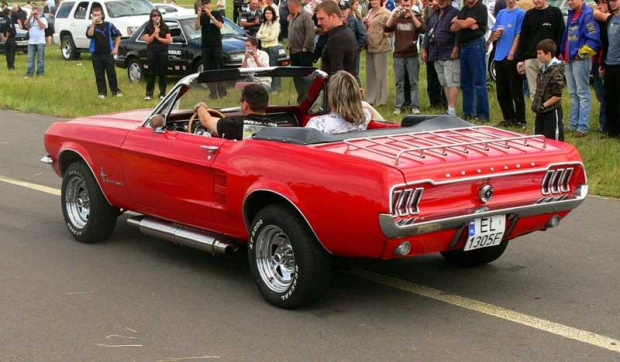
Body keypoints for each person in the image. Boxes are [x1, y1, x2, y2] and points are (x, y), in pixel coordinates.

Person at [560, 0, 600, 137]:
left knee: (582, 93)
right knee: (573, 93)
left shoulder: (588, 14)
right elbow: (566, 36)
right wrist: (562, 52)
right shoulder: (571, 14)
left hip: (579, 60)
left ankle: (582, 127)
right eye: (568, 0)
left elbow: (594, 38)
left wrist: (580, 54)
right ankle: (572, 124)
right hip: (568, 59)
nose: (570, 2)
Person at [516, 0, 564, 101]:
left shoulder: (555, 12)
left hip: (548, 59)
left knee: (548, 92)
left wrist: (555, 56)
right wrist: (520, 60)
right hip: (530, 59)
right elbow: (523, 37)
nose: (536, 1)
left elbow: (560, 35)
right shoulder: (529, 14)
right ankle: (538, 116)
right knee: (534, 93)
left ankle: (550, 116)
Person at [488, 0, 526, 127]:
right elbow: (494, 32)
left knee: (516, 90)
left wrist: (512, 53)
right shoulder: (501, 13)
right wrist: (496, 35)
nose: (509, 1)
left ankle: (521, 119)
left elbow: (519, 34)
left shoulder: (520, 13)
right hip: (499, 55)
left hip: (511, 56)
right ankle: (509, 117)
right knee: (502, 91)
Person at [450, 0, 490, 122]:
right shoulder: (465, 9)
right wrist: (461, 23)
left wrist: (458, 21)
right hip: (464, 46)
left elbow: (463, 24)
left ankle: (483, 114)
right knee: (466, 82)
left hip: (476, 45)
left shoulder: (480, 8)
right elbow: (453, 27)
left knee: (479, 81)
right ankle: (468, 113)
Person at [194, 83, 276, 140]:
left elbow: (205, 119)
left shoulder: (233, 124)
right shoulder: (275, 128)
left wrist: (200, 106)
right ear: (267, 103)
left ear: (245, 104)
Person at [385, 0, 424, 115]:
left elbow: (422, 29)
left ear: (411, 6)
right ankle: (399, 106)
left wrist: (412, 15)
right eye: (404, 6)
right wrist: (393, 14)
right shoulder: (397, 17)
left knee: (414, 82)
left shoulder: (416, 16)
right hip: (398, 55)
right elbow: (386, 29)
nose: (406, 8)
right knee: (399, 83)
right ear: (399, 5)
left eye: (408, 6)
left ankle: (415, 105)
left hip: (412, 54)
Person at [306, 70, 371, 133]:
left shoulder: (317, 124)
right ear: (357, 94)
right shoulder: (365, 116)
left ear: (332, 96)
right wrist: (357, 100)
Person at [532, 39, 565, 141]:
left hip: (551, 111)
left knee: (552, 139)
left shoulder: (555, 71)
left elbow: (557, 95)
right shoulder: (543, 70)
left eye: (540, 53)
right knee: (539, 138)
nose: (538, 56)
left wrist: (543, 105)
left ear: (548, 54)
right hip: (541, 112)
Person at [86, 7, 122, 98]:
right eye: (95, 15)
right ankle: (102, 93)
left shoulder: (109, 25)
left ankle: (116, 91)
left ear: (102, 15)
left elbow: (118, 35)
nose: (97, 17)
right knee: (99, 74)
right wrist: (93, 24)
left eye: (98, 15)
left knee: (111, 73)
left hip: (108, 53)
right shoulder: (90, 27)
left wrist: (116, 48)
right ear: (92, 16)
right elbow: (89, 35)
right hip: (96, 54)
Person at [315, 0, 358, 76]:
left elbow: (337, 74)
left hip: (339, 86)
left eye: (321, 19)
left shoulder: (336, 38)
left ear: (333, 16)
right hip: (348, 84)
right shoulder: (348, 32)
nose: (318, 23)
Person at [195, 0, 226, 98]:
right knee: (208, 69)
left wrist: (211, 16)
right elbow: (197, 27)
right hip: (206, 46)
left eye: (206, 4)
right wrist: (199, 15)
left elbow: (220, 25)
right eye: (203, 4)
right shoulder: (203, 16)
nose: (205, 6)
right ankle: (213, 92)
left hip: (216, 46)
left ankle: (222, 92)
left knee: (218, 68)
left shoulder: (216, 14)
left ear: (210, 4)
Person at [363, 0, 391, 106]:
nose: (373, 1)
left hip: (381, 47)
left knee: (381, 75)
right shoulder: (370, 11)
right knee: (370, 73)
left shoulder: (386, 13)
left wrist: (384, 36)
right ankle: (371, 98)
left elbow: (392, 28)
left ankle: (382, 99)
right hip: (369, 45)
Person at [599, 0, 620, 138]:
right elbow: (605, 43)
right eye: (610, 1)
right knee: (610, 98)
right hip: (609, 65)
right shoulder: (610, 19)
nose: (612, 3)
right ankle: (611, 130)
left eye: (615, 0)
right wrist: (602, 64)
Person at [288, 0, 315, 102]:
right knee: (296, 77)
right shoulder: (292, 17)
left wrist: (305, 48)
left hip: (303, 52)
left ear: (295, 4)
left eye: (289, 4)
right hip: (293, 52)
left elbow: (310, 33)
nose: (288, 7)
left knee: (306, 78)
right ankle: (301, 98)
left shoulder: (306, 16)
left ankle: (308, 99)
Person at [422, 0, 448, 109]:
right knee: (431, 78)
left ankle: (445, 103)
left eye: (434, 1)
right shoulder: (431, 13)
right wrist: (424, 49)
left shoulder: (450, 12)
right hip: (431, 50)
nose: (432, 3)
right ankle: (434, 103)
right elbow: (427, 33)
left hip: (444, 51)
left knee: (443, 79)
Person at [144, 9, 171, 101]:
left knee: (163, 72)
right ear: (151, 17)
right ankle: (149, 94)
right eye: (154, 16)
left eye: (158, 15)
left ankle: (162, 93)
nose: (156, 17)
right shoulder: (148, 27)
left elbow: (168, 40)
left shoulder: (165, 27)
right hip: (152, 51)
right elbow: (147, 41)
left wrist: (159, 38)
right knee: (151, 72)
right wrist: (154, 33)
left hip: (162, 51)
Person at [341, 0, 367, 84]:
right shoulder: (336, 21)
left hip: (353, 52)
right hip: (340, 52)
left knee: (354, 76)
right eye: (340, 9)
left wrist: (357, 48)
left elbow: (363, 35)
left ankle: (358, 95)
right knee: (341, 75)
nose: (343, 12)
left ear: (348, 9)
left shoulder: (355, 19)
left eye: (344, 9)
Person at [256, 6, 281, 89]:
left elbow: (272, 37)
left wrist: (263, 36)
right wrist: (266, 35)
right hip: (263, 48)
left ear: (273, 14)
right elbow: (257, 35)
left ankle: (276, 87)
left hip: (272, 48)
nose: (268, 15)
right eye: (266, 13)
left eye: (270, 13)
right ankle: (268, 85)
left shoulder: (276, 24)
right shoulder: (264, 24)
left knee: (273, 68)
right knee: (265, 67)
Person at [24, 5, 47, 78]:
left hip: (40, 42)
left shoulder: (43, 18)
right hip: (31, 42)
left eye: (36, 11)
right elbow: (25, 25)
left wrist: (37, 18)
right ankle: (30, 73)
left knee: (40, 59)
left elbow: (43, 26)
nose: (35, 12)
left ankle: (40, 73)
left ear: (39, 12)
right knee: (30, 59)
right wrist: (30, 16)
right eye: (33, 11)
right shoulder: (31, 19)